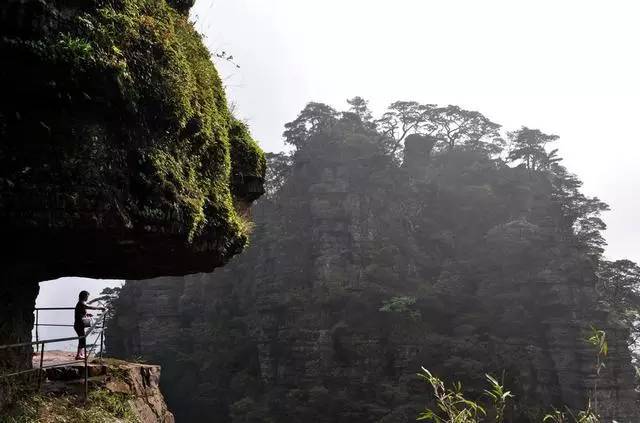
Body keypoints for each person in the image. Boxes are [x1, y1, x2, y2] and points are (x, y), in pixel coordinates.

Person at [74, 290, 105, 360]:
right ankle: (78, 355)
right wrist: (100, 308)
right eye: (87, 296)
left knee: (82, 339)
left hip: (79, 325)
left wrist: (87, 314)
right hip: (78, 325)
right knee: (82, 339)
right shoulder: (81, 303)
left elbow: (81, 313)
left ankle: (81, 354)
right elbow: (90, 307)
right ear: (84, 296)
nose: (87, 298)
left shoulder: (80, 303)